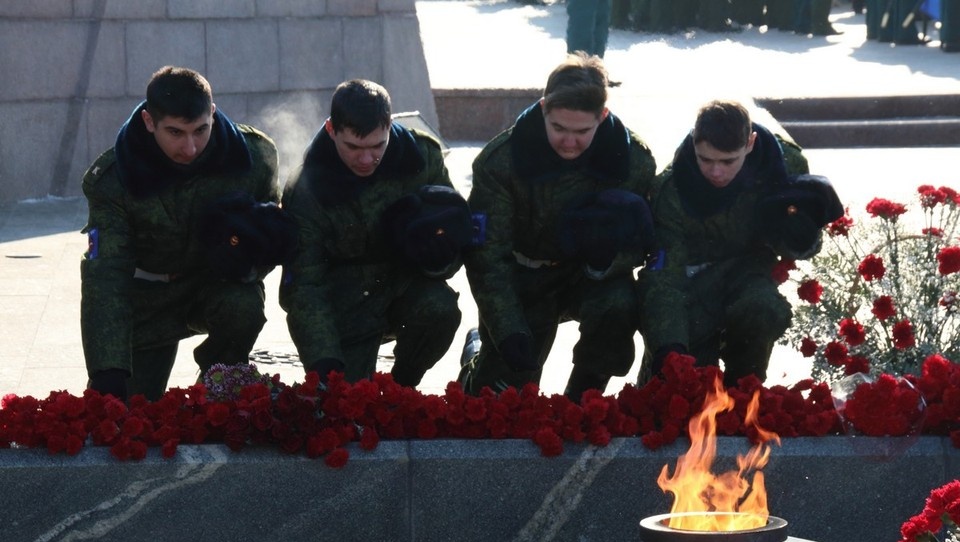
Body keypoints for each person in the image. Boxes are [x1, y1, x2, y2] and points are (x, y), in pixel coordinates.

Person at [461, 52, 657, 402]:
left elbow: (643, 240)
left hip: (588, 276)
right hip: (524, 277)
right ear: (543, 110)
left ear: (603, 116)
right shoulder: (501, 162)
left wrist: (607, 260)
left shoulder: (633, 161)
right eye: (559, 128)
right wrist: (506, 330)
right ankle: (476, 354)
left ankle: (581, 401)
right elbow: (486, 257)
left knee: (618, 306)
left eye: (583, 131)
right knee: (501, 393)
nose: (570, 142)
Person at [81, 66, 282, 401]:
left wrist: (247, 257)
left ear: (213, 115)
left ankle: (218, 384)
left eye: (201, 130)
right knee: (130, 415)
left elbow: (273, 239)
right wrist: (107, 370)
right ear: (149, 122)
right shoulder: (114, 180)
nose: (190, 148)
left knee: (243, 305)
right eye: (175, 133)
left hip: (212, 287)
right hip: (145, 297)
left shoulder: (253, 158)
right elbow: (106, 278)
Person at [637, 99, 843, 387]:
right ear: (694, 143)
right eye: (705, 160)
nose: (716, 172)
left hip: (750, 273)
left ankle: (745, 392)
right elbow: (664, 277)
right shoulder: (672, 190)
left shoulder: (785, 164)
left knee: (762, 310)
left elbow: (802, 240)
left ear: (750, 143)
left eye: (728, 160)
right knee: (680, 383)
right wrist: (668, 349)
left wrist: (801, 237)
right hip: (692, 284)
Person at [280, 79, 469, 387]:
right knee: (344, 402)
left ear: (390, 126)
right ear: (331, 129)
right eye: (353, 147)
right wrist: (323, 360)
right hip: (345, 302)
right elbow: (304, 287)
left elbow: (457, 230)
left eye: (377, 146)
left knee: (441, 309)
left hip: (404, 286)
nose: (366, 160)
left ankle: (403, 386)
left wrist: (439, 257)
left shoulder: (422, 157)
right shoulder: (305, 189)